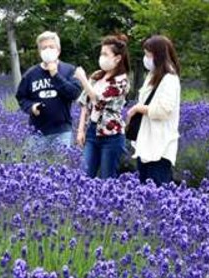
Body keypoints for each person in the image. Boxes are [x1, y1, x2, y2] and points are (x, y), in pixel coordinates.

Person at [126, 35, 181, 185]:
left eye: (148, 54)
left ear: (158, 55)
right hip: (146, 141)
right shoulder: (153, 75)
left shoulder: (169, 79)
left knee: (158, 187)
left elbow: (164, 110)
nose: (146, 58)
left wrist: (138, 108)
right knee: (145, 188)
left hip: (160, 144)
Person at [74, 35, 131, 179]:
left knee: (107, 179)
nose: (102, 57)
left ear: (117, 58)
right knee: (84, 176)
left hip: (111, 135)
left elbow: (99, 101)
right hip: (92, 132)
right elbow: (85, 103)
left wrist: (83, 79)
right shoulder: (97, 76)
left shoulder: (122, 81)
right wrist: (81, 130)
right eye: (101, 53)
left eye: (106, 54)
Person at [16, 31, 82, 150]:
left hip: (62, 130)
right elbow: (21, 97)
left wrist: (55, 74)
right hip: (37, 131)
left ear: (58, 50)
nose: (48, 50)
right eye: (44, 48)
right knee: (34, 166)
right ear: (39, 52)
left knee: (61, 165)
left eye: (51, 47)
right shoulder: (30, 74)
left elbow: (74, 93)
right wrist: (31, 107)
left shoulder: (69, 70)